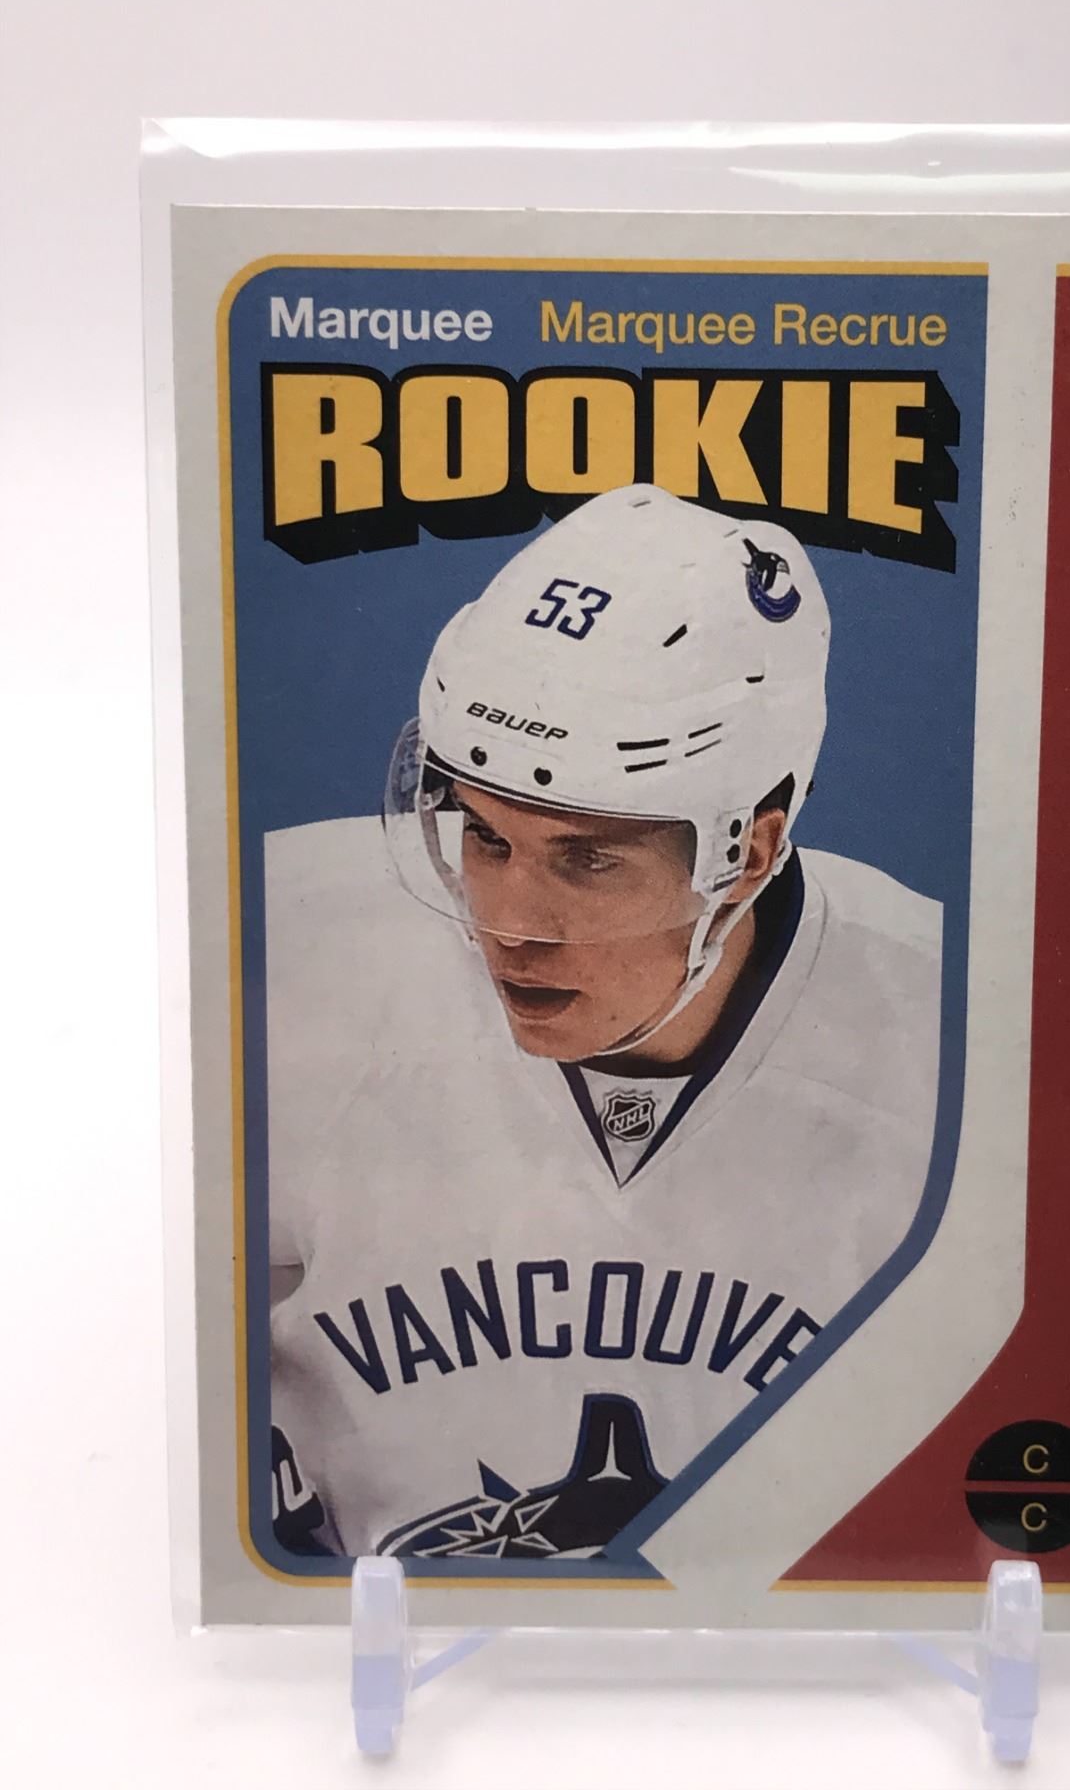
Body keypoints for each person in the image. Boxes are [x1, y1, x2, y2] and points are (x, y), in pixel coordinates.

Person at [266, 486, 942, 1563]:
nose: (508, 922)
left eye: (587, 859)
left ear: (749, 853)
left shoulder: (947, 1043)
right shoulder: (291, 949)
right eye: (484, 837)